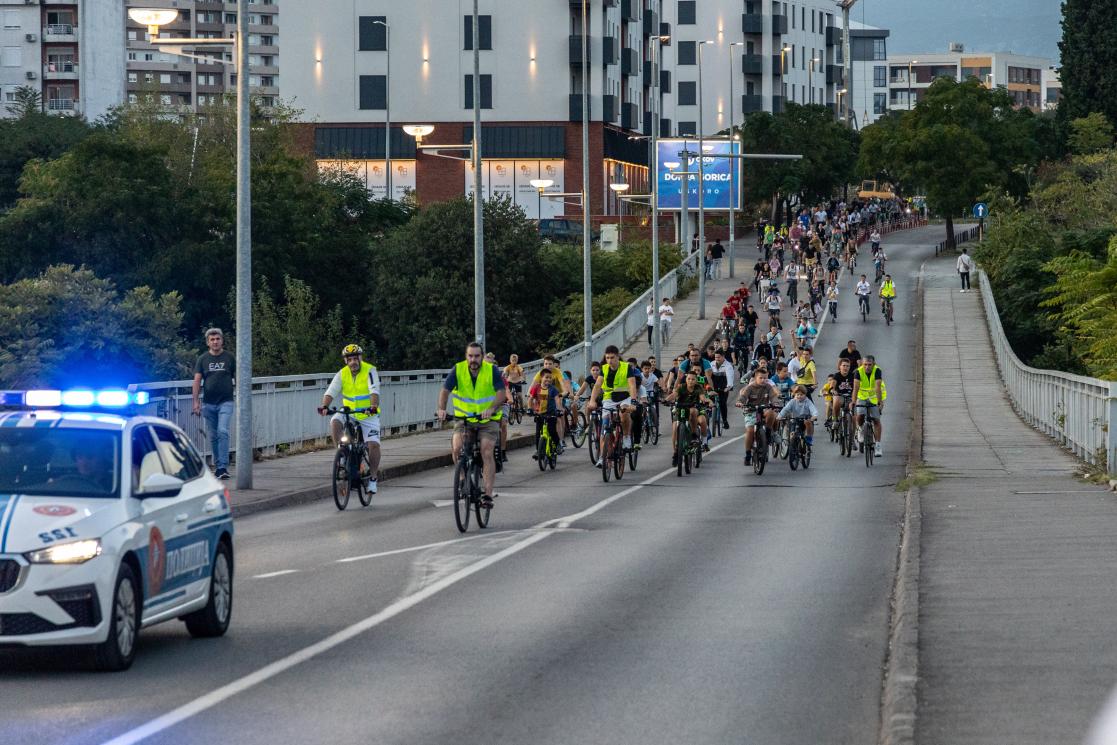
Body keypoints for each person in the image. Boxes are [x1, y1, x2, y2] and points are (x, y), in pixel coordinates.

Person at [437, 342, 506, 507]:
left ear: (482, 357)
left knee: (486, 451)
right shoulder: (458, 369)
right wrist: (441, 409)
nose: (473, 359)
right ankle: (462, 478)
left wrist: (492, 408)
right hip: (464, 419)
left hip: (487, 420)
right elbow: (445, 391)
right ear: (466, 356)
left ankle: (487, 495)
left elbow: (501, 392)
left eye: (476, 356)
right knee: (456, 448)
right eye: (470, 356)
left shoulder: (491, 370)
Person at [318, 343, 382, 494]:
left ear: (360, 358)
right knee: (334, 421)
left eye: (355, 358)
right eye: (350, 359)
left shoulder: (370, 370)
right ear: (346, 361)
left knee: (373, 445)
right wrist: (325, 406)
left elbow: (374, 390)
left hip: (368, 413)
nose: (353, 362)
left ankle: (373, 479)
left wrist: (373, 406)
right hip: (350, 412)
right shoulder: (342, 373)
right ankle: (341, 455)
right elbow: (331, 391)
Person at [587, 345, 644, 463]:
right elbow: (598, 385)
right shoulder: (604, 368)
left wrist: (633, 402)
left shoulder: (626, 367)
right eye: (607, 358)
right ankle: (603, 458)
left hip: (625, 397)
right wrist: (592, 400)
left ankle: (627, 437)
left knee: (623, 414)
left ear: (618, 357)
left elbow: (632, 385)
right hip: (609, 399)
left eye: (612, 357)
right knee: (605, 427)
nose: (609, 360)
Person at [192, 328, 236, 480]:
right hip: (209, 403)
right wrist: (196, 402)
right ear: (208, 342)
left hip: (226, 401)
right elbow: (197, 380)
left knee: (222, 431)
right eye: (212, 340)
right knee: (213, 435)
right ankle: (218, 467)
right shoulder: (203, 359)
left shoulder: (229, 357)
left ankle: (223, 466)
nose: (215, 342)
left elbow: (240, 376)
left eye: (217, 339)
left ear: (222, 340)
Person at [735, 368, 782, 466]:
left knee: (771, 413)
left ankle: (769, 433)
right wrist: (740, 402)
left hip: (763, 409)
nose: (763, 380)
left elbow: (773, 396)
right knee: (750, 431)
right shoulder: (750, 387)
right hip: (751, 411)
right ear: (755, 378)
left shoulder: (768, 387)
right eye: (761, 378)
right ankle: (748, 454)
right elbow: (743, 397)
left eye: (765, 378)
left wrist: (776, 403)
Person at [666, 368, 710, 464]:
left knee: (694, 412)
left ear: (696, 380)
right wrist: (666, 399)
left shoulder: (698, 388)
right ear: (686, 379)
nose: (691, 381)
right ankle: (675, 453)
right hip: (681, 409)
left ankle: (694, 435)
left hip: (693, 408)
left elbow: (702, 397)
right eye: (689, 379)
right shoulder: (681, 387)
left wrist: (706, 401)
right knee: (674, 428)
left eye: (693, 379)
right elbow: (674, 395)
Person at [532, 355, 574, 442]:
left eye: (550, 364)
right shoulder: (541, 372)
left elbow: (563, 384)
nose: (548, 366)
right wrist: (529, 394)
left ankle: (561, 440)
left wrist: (565, 392)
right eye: (546, 364)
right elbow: (533, 385)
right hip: (545, 397)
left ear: (553, 364)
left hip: (557, 395)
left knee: (559, 417)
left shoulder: (558, 372)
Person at [852, 354, 885, 458]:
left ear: (873, 364)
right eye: (865, 364)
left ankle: (878, 446)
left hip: (874, 396)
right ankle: (861, 429)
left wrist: (879, 402)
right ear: (862, 363)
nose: (867, 367)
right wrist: (853, 402)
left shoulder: (877, 371)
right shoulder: (858, 372)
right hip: (862, 396)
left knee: (876, 420)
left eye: (869, 364)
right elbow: (856, 388)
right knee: (860, 415)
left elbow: (878, 387)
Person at [528, 369, 564, 460]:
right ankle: (538, 450)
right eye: (546, 377)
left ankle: (557, 445)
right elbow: (530, 399)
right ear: (541, 378)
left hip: (551, 414)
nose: (548, 379)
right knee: (537, 433)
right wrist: (529, 409)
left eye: (550, 378)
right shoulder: (536, 388)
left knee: (552, 431)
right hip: (539, 414)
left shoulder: (553, 389)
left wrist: (559, 410)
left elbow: (557, 400)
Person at [827, 357, 857, 428]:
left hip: (850, 397)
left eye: (847, 366)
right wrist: (833, 391)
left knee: (854, 413)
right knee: (836, 400)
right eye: (844, 365)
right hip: (840, 396)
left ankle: (854, 433)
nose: (845, 367)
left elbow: (857, 387)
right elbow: (832, 387)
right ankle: (836, 420)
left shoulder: (852, 376)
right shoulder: (836, 376)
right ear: (840, 366)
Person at [709, 350, 735, 431]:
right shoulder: (711, 364)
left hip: (724, 387)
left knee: (723, 403)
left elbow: (730, 377)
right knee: (708, 402)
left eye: (719, 357)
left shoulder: (728, 366)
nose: (717, 359)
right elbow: (708, 376)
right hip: (713, 386)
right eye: (715, 357)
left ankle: (724, 421)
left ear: (723, 357)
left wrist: (728, 387)